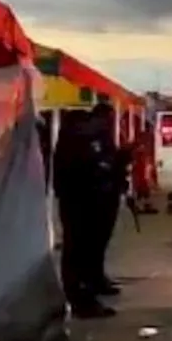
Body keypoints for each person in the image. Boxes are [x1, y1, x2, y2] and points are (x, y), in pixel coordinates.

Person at [52, 110, 116, 319]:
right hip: (80, 202)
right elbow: (78, 172)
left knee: (89, 247)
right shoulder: (75, 141)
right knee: (79, 250)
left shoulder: (91, 139)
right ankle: (81, 298)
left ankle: (88, 289)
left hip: (92, 198)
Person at [86, 103, 127, 298]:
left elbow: (111, 161)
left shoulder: (104, 137)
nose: (110, 123)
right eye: (108, 119)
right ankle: (92, 281)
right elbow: (100, 164)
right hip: (96, 197)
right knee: (94, 242)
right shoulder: (90, 139)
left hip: (108, 194)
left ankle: (98, 277)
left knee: (101, 242)